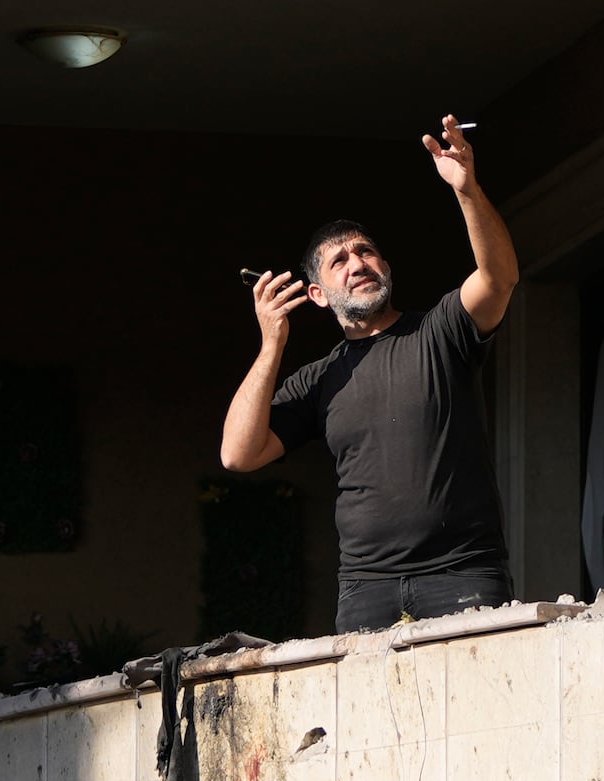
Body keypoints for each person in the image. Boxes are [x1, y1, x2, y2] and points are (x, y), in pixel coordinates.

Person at [220, 113, 521, 633]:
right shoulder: (320, 379)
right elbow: (238, 453)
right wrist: (271, 343)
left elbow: (499, 277)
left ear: (386, 266)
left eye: (365, 251)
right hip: (367, 587)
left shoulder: (440, 331)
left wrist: (466, 189)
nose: (356, 263)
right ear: (317, 294)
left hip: (462, 574)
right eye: (338, 260)